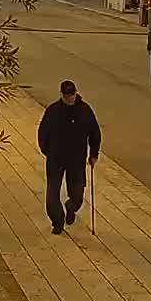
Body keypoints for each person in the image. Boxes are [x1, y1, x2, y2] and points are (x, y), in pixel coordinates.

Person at [37, 80, 101, 235]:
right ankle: (57, 222)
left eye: (71, 95)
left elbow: (95, 133)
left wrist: (94, 154)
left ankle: (71, 208)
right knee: (52, 194)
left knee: (77, 192)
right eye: (66, 96)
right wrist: (48, 151)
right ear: (62, 95)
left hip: (76, 160)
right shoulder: (53, 111)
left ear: (75, 93)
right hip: (55, 159)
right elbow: (42, 133)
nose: (69, 98)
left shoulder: (84, 110)